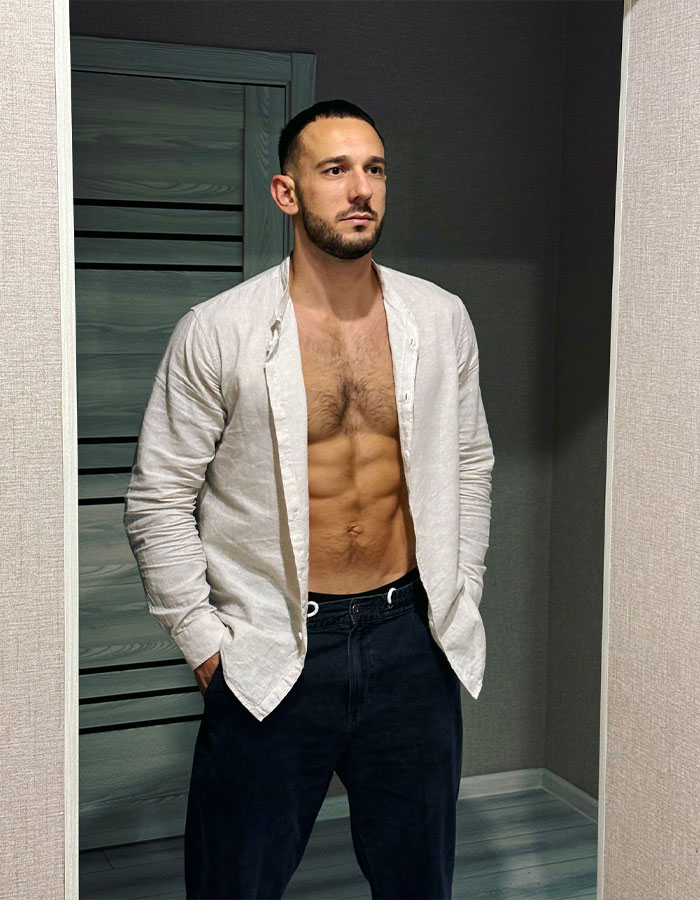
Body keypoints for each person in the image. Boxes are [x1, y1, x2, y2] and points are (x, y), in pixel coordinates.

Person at [123, 98, 494, 900]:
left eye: (374, 169)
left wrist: (461, 589)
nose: (361, 188)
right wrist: (204, 644)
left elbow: (470, 462)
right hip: (273, 641)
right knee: (236, 881)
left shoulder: (440, 319)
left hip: (410, 639)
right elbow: (159, 497)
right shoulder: (218, 330)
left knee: (418, 882)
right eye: (335, 170)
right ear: (286, 193)